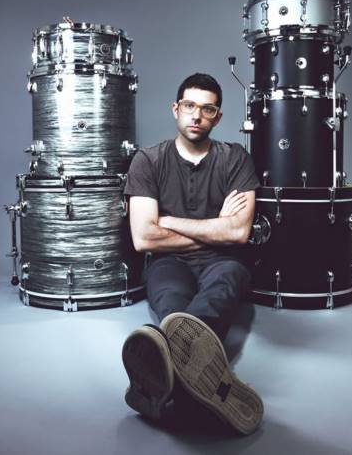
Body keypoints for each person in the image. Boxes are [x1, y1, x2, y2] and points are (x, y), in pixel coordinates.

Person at [122, 73, 263, 435]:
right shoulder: (148, 160)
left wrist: (169, 221)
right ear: (176, 109)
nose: (197, 115)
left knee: (219, 293)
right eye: (189, 106)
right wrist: (216, 229)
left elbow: (238, 233)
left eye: (207, 109)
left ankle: (163, 379)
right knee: (173, 308)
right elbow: (144, 238)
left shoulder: (235, 159)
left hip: (225, 263)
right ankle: (200, 386)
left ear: (218, 117)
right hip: (168, 264)